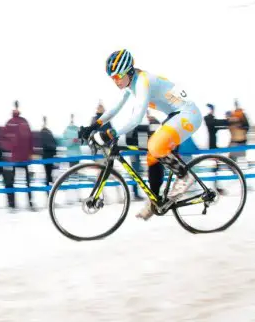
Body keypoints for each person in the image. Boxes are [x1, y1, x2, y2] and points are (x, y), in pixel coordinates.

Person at [78, 49, 203, 221]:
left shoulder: (143, 81)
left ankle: (184, 177)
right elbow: (115, 109)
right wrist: (94, 125)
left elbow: (136, 118)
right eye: (112, 78)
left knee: (155, 146)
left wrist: (110, 134)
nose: (115, 81)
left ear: (128, 71)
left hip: (188, 114)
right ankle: (155, 201)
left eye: (117, 76)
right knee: (152, 155)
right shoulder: (131, 84)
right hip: (175, 115)